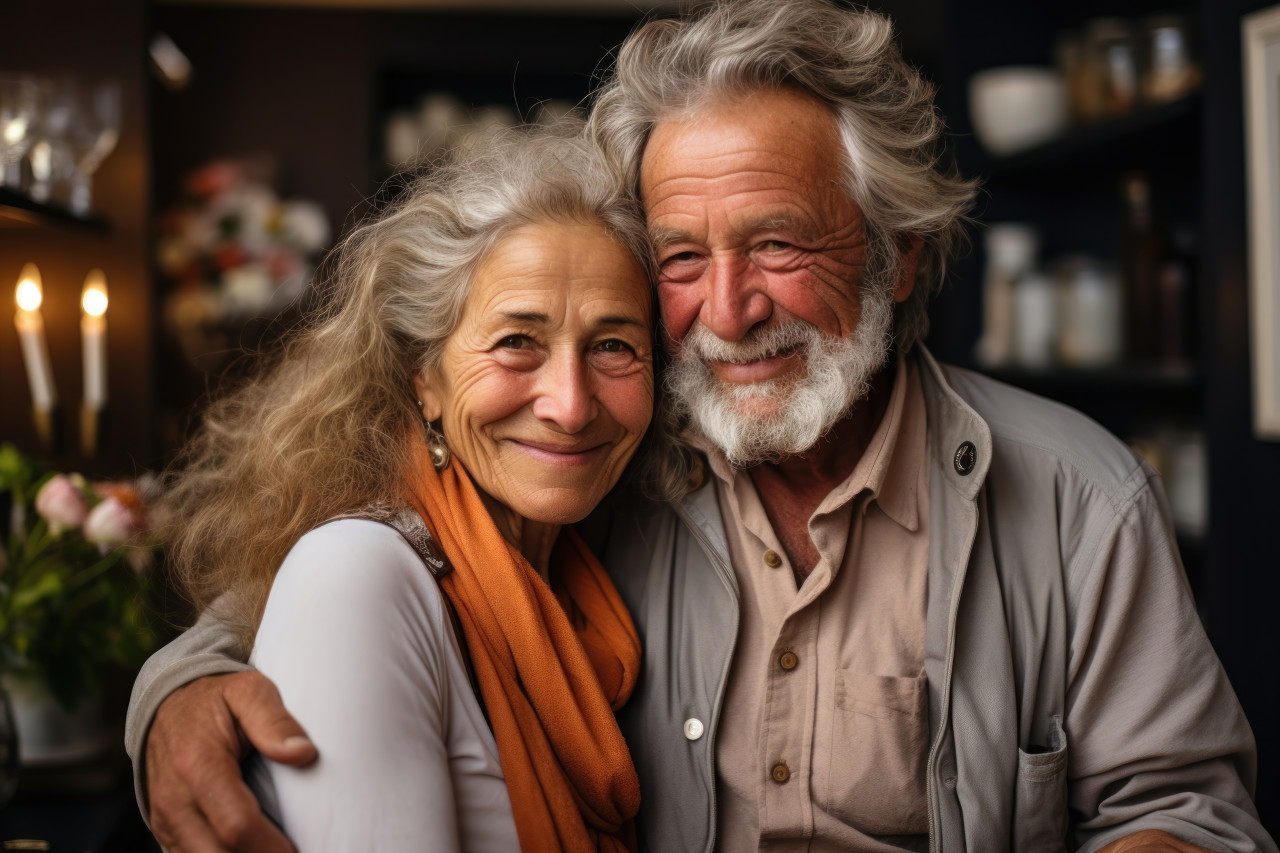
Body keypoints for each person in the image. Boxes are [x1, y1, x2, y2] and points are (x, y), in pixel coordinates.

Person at [127, 1, 1278, 851]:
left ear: (895, 255)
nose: (727, 314)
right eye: (681, 260)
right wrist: (173, 694)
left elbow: (1183, 807)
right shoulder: (606, 452)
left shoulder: (1077, 497)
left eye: (776, 243)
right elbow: (332, 584)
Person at [135, 125, 691, 851]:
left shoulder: (588, 568)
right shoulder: (356, 574)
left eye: (614, 345)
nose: (571, 403)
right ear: (423, 377)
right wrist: (167, 691)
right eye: (517, 341)